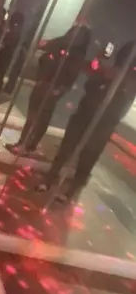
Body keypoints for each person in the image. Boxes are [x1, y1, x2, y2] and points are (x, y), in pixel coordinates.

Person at [37, 41, 136, 203]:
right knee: (66, 149)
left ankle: (70, 191)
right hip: (84, 115)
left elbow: (122, 101)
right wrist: (102, 70)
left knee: (88, 156)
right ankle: (50, 179)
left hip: (104, 123)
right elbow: (90, 83)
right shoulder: (108, 72)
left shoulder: (130, 82)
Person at [6, 24, 91, 155]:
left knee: (39, 117)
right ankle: (25, 144)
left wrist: (59, 89)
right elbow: (44, 47)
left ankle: (27, 145)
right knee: (34, 116)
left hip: (52, 86)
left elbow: (70, 74)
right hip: (45, 83)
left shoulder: (76, 53)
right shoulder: (63, 44)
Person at [0, 11, 25, 102]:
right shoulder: (8, 26)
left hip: (5, 55)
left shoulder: (16, 31)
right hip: (2, 54)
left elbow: (11, 42)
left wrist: (3, 44)